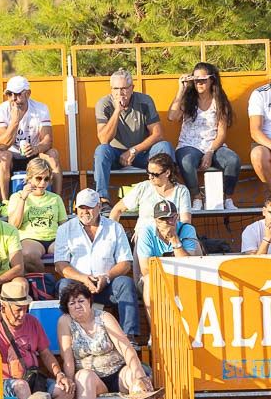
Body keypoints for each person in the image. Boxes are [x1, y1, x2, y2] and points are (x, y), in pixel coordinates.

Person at [57, 281, 145, 399]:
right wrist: (69, 381)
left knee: (134, 377)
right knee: (83, 376)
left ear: (89, 301)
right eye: (72, 303)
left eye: (81, 301)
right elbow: (68, 358)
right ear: (67, 307)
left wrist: (140, 376)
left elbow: (126, 348)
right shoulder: (65, 322)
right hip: (93, 380)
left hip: (117, 373)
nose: (77, 306)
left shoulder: (104, 317)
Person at [53, 189, 139, 339]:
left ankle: (129, 337)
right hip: (78, 285)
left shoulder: (115, 227)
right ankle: (68, 336)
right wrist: (83, 278)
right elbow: (60, 265)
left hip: (107, 284)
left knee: (125, 283)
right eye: (81, 207)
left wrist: (106, 277)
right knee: (64, 285)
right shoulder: (64, 229)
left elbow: (125, 263)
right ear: (75, 208)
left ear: (99, 206)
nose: (85, 212)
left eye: (90, 207)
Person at [0, 278, 74, 399]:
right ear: (3, 306)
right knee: (21, 386)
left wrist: (59, 374)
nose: (22, 314)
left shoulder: (32, 321)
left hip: (33, 378)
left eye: (25, 308)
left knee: (66, 389)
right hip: (3, 383)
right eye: (18, 310)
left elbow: (45, 353)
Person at [93, 69, 175, 204]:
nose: (120, 93)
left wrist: (133, 150)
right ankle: (103, 199)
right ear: (111, 89)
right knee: (101, 150)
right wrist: (117, 111)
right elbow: (104, 139)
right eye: (116, 89)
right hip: (116, 155)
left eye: (124, 88)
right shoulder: (104, 104)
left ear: (132, 88)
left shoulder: (145, 101)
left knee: (164, 146)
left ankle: (165, 195)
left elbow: (158, 133)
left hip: (141, 153)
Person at [168, 63, 240, 210]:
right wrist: (181, 90)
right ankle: (196, 197)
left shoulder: (219, 101)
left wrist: (210, 151)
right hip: (189, 144)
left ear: (211, 80)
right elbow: (172, 116)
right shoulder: (187, 99)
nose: (199, 83)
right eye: (196, 80)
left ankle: (227, 198)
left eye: (203, 80)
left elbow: (222, 133)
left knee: (233, 160)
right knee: (185, 161)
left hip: (213, 145)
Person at [107, 152, 191, 259]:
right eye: (148, 173)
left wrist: (174, 236)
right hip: (144, 239)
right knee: (143, 275)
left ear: (167, 173)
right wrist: (114, 237)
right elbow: (117, 210)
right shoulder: (143, 187)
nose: (150, 177)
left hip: (171, 239)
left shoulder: (181, 191)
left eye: (155, 174)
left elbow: (186, 221)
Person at [0, 75, 62, 199]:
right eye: (9, 94)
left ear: (28, 94)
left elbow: (47, 140)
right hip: (8, 154)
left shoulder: (41, 108)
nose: (13, 98)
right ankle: (4, 203)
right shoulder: (1, 110)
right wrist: (15, 121)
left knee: (53, 154)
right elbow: (2, 145)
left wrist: (36, 149)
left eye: (18, 94)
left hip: (32, 154)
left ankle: (57, 201)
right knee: (5, 156)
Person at [135, 200, 200, 308]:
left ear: (177, 217)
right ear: (155, 220)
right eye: (162, 219)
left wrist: (174, 239)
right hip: (154, 278)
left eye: (170, 218)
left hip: (183, 276)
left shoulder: (187, 229)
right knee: (149, 280)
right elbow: (145, 269)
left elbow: (189, 266)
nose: (166, 222)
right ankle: (153, 324)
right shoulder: (146, 232)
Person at [7, 158, 67, 272]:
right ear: (29, 178)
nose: (43, 183)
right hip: (30, 239)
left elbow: (64, 226)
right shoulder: (17, 197)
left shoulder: (55, 198)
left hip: (54, 238)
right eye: (38, 178)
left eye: (46, 179)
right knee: (27, 255)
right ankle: (45, 282)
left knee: (70, 251)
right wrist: (23, 199)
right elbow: (13, 225)